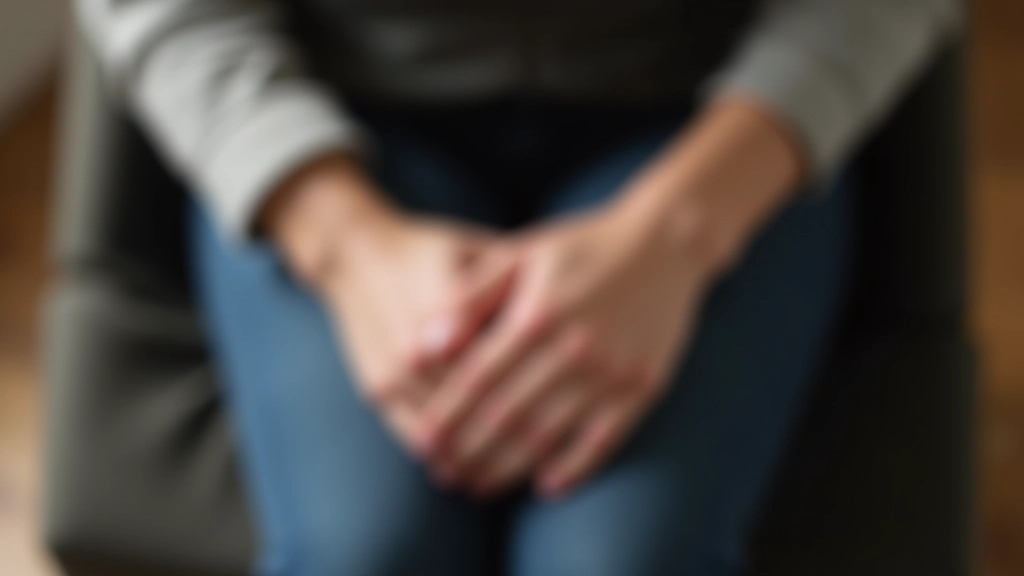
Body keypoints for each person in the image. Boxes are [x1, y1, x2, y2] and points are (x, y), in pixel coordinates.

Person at [76, 1, 962, 574]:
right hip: (333, 122)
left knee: (624, 563)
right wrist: (346, 242)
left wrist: (675, 234)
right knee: (367, 556)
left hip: (709, 123)